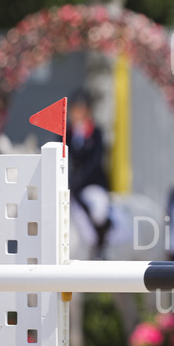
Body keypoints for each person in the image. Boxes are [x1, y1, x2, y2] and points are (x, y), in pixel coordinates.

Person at [66, 90, 113, 258]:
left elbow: (95, 161)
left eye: (81, 109)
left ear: (87, 111)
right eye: (75, 109)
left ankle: (100, 247)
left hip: (92, 183)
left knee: (99, 212)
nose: (77, 113)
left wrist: (78, 180)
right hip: (71, 185)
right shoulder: (66, 134)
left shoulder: (96, 133)